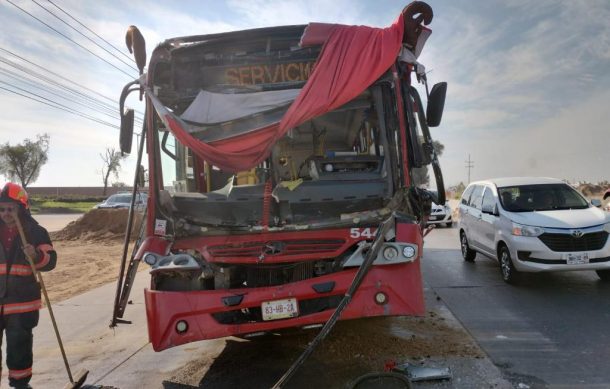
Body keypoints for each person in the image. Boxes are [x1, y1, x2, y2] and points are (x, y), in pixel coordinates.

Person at [0, 183, 56, 389]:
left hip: (22, 302)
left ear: (21, 209)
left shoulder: (36, 232)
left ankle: (20, 384)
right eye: (2, 209)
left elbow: (51, 261)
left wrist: (36, 256)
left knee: (19, 346)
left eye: (11, 209)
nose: (6, 214)